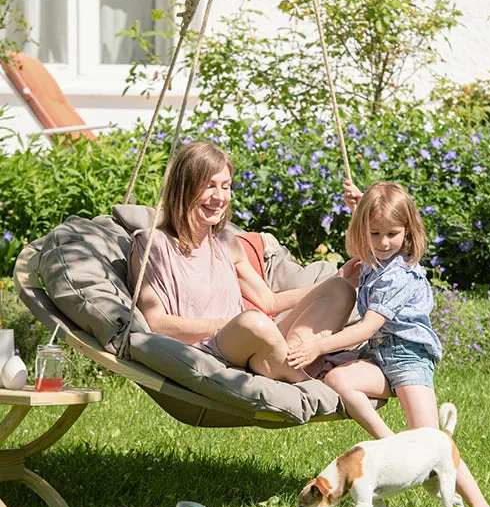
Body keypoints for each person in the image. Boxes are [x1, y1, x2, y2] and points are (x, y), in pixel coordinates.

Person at [288, 180, 490, 507]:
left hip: (409, 359)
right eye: (374, 234)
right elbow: (365, 231)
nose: (383, 243)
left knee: (435, 443)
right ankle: (393, 445)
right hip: (379, 356)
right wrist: (360, 206)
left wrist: (319, 344)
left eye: (392, 234)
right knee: (338, 378)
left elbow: (368, 326)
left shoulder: (397, 275)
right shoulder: (372, 256)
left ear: (408, 232)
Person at [127, 141, 359, 384]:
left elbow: (269, 302)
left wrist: (340, 277)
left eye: (225, 187)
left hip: (251, 341)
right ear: (184, 188)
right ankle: (301, 377)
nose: (219, 197)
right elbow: (156, 323)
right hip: (209, 352)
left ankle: (284, 364)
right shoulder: (152, 244)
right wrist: (230, 324)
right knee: (253, 321)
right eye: (209, 186)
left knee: (339, 291)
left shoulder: (227, 242)